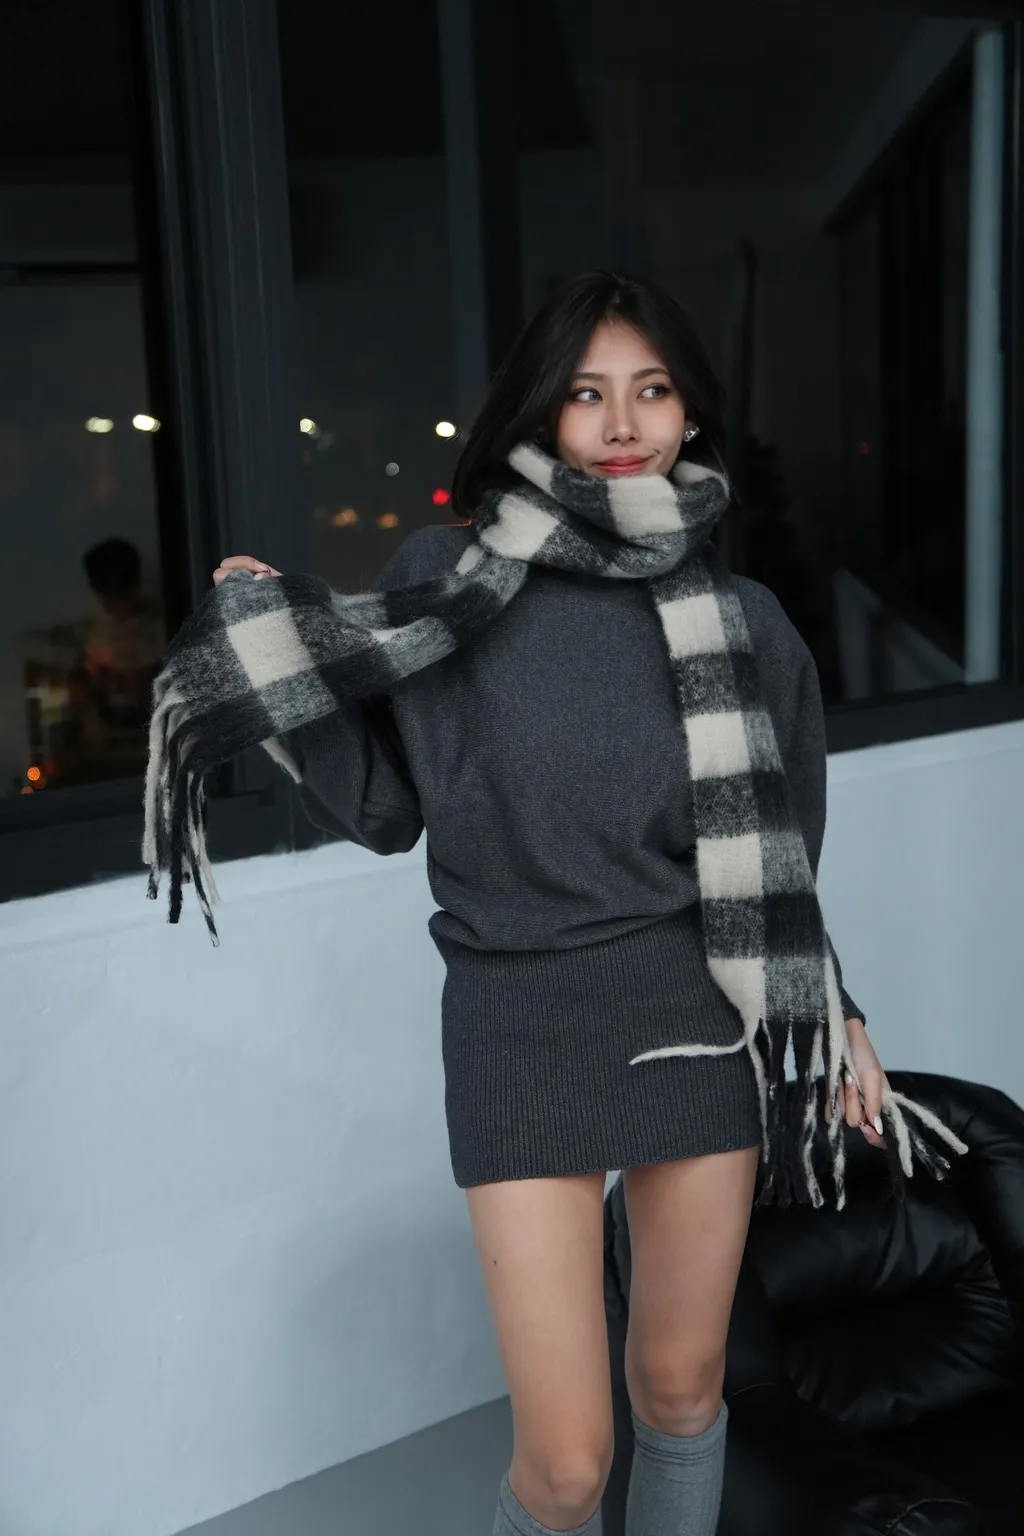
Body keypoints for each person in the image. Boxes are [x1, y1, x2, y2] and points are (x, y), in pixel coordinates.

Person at [179, 272, 964, 1536]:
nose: (622, 422)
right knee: (562, 1468)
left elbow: (777, 864)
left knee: (682, 1390)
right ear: (540, 410)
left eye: (651, 390)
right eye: (588, 392)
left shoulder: (746, 622)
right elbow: (384, 807)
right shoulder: (450, 577)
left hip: (695, 1016)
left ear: (690, 414)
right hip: (519, 1021)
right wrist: (273, 661)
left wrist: (837, 1013)